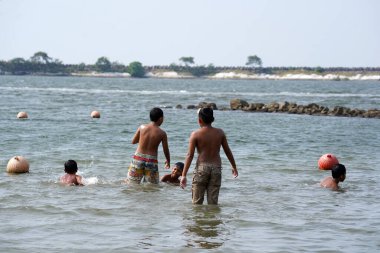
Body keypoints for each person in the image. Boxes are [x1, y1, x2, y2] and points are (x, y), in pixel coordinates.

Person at [180, 107, 238, 205]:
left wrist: (184, 175)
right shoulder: (220, 133)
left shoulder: (195, 134)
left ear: (199, 120)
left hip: (201, 168)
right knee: (213, 202)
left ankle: (198, 220)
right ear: (212, 119)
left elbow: (190, 155)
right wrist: (234, 166)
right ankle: (212, 220)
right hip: (216, 168)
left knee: (197, 203)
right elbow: (228, 151)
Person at [127, 107, 170, 184]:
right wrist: (168, 161)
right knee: (152, 187)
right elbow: (165, 150)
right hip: (151, 161)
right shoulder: (162, 133)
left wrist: (143, 139)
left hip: (138, 158)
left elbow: (133, 141)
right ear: (160, 118)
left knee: (132, 184)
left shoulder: (142, 127)